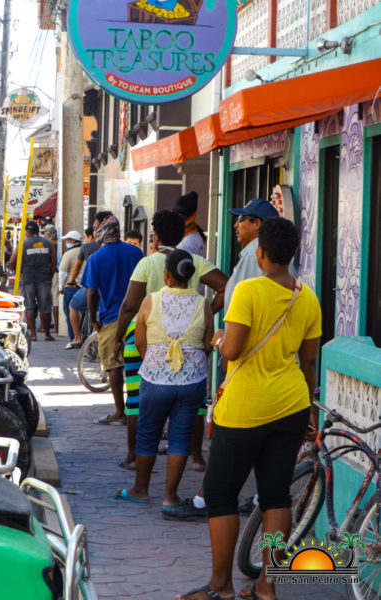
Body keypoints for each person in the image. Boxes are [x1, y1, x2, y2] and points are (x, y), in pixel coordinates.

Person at [176, 217, 321, 600]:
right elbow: (309, 361)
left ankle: (220, 585)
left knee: (221, 493)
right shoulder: (307, 297)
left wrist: (218, 339)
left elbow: (233, 350)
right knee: (276, 495)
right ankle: (267, 586)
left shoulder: (248, 291)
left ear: (260, 254)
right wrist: (310, 409)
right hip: (292, 405)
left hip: (245, 409)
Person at [167, 197, 280, 522]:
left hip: (245, 365)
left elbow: (242, 323)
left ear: (258, 225)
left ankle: (205, 501)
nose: (236, 225)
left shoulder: (255, 258)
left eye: (243, 219)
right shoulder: (295, 289)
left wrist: (220, 340)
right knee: (261, 444)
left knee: (228, 437)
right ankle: (259, 499)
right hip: (270, 376)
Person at [114, 209, 228, 470]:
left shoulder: (147, 263)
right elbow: (225, 285)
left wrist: (117, 338)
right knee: (195, 404)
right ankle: (196, 457)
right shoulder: (194, 261)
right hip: (188, 340)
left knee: (136, 401)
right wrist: (206, 312)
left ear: (155, 236)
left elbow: (129, 306)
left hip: (144, 339)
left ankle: (134, 457)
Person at [114, 249, 213, 509]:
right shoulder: (203, 304)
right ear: (190, 276)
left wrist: (155, 362)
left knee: (148, 434)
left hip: (156, 379)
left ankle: (140, 489)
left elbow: (139, 342)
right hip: (192, 381)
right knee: (180, 437)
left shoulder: (151, 301)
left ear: (166, 273)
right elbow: (207, 345)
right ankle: (171, 497)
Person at [82, 211, 142, 425]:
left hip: (110, 320)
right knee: (137, 365)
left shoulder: (96, 258)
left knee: (113, 365)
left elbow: (92, 293)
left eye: (96, 227)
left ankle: (119, 412)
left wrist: (93, 320)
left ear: (102, 230)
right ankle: (136, 408)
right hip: (137, 318)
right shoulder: (136, 253)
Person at [7, 220, 56, 342]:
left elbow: (12, 261)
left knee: (29, 306)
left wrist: (20, 272)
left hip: (28, 278)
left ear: (28, 232)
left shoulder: (23, 244)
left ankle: (33, 335)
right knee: (45, 307)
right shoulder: (48, 243)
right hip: (44, 278)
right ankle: (47, 334)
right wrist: (49, 276)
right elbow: (53, 263)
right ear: (37, 231)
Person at [65, 227, 100, 349]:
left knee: (72, 306)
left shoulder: (86, 247)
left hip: (90, 287)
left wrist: (71, 280)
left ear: (91, 236)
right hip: (105, 288)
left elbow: (77, 267)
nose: (85, 239)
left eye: (85, 237)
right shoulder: (106, 247)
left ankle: (77, 338)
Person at [58, 230, 82, 342]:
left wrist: (61, 288)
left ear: (73, 240)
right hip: (86, 287)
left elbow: (62, 273)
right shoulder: (85, 251)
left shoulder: (68, 254)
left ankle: (74, 338)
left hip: (71, 287)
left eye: (68, 240)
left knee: (69, 313)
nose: (67, 242)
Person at [173, 191, 207, 257]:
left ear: (190, 218)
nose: (174, 219)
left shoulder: (186, 243)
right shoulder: (195, 234)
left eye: (179, 216)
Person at [44, 226, 59, 334]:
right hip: (58, 273)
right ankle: (57, 326)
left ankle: (47, 326)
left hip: (50, 273)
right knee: (56, 300)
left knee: (48, 301)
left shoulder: (47, 246)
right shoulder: (59, 245)